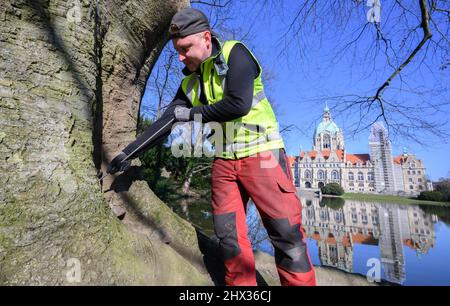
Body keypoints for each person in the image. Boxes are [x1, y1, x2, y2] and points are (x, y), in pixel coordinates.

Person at [107, 8, 316, 286]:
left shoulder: (235, 53)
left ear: (206, 38)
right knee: (230, 241)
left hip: (263, 156)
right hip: (224, 163)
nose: (181, 57)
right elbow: (167, 122)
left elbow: (238, 103)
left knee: (286, 236)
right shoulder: (190, 82)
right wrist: (127, 154)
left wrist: (191, 116)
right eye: (177, 51)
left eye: (185, 48)